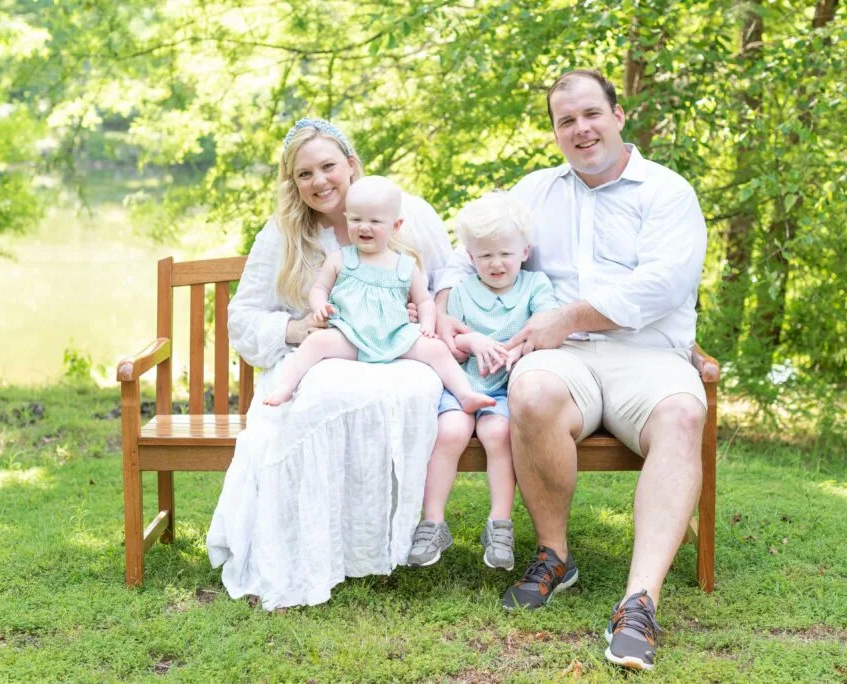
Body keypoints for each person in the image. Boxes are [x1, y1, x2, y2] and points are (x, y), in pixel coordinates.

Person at [437, 70, 708, 671]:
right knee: (530, 390)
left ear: (617, 115)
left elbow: (665, 283)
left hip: (651, 354)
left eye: (591, 114)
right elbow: (465, 257)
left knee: (684, 414)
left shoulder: (666, 192)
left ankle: (639, 602)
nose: (581, 129)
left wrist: (569, 315)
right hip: (564, 359)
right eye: (566, 121)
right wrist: (447, 315)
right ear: (556, 133)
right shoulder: (534, 192)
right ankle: (554, 556)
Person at [206, 118, 453, 610]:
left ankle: (390, 537)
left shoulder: (406, 212)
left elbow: (448, 275)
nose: (319, 181)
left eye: (328, 166)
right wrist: (294, 331)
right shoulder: (284, 235)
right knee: (323, 395)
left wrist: (428, 312)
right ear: (292, 183)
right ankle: (319, 547)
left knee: (405, 391)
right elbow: (244, 316)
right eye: (304, 174)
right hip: (328, 349)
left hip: (397, 349)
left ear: (351, 165)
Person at [407, 192, 558, 571]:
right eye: (485, 255)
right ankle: (434, 522)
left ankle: (500, 523)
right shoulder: (461, 292)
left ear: (524, 251)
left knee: (497, 435)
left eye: (505, 253)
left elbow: (544, 328)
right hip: (463, 386)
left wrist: (519, 352)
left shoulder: (535, 286)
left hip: (505, 390)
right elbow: (450, 344)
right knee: (450, 432)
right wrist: (471, 340)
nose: (495, 263)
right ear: (470, 257)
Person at [262, 175, 495, 412]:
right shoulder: (341, 259)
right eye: (356, 219)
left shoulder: (405, 265)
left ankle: (465, 394)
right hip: (351, 334)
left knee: (437, 350)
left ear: (395, 226)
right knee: (315, 342)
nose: (364, 226)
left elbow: (424, 300)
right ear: (347, 219)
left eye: (374, 221)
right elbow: (319, 288)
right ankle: (286, 387)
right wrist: (320, 304)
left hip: (397, 336)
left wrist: (426, 324)